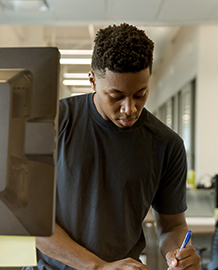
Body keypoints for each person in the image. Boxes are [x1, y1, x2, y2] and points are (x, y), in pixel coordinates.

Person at [35, 23, 201, 270]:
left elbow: (172, 226)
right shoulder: (55, 122)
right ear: (92, 80)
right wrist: (98, 266)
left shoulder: (167, 145)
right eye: (116, 96)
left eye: (140, 94)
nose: (129, 108)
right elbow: (30, 221)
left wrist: (179, 253)